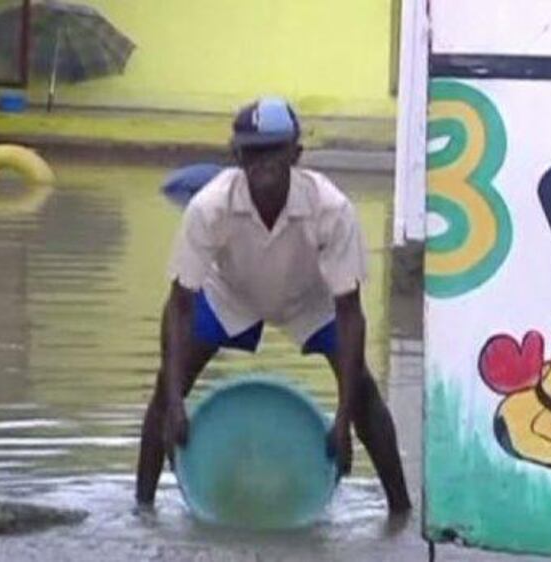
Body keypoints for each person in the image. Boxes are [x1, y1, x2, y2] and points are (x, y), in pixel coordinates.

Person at [135, 97, 411, 515]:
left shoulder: (331, 208)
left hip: (309, 297)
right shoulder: (209, 206)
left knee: (364, 393)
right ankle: (142, 510)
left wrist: (342, 418)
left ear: (295, 155)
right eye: (252, 152)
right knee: (164, 388)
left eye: (274, 151)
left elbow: (350, 312)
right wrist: (175, 401)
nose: (263, 163)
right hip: (231, 293)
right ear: (236, 156)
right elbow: (179, 304)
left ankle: (400, 513)